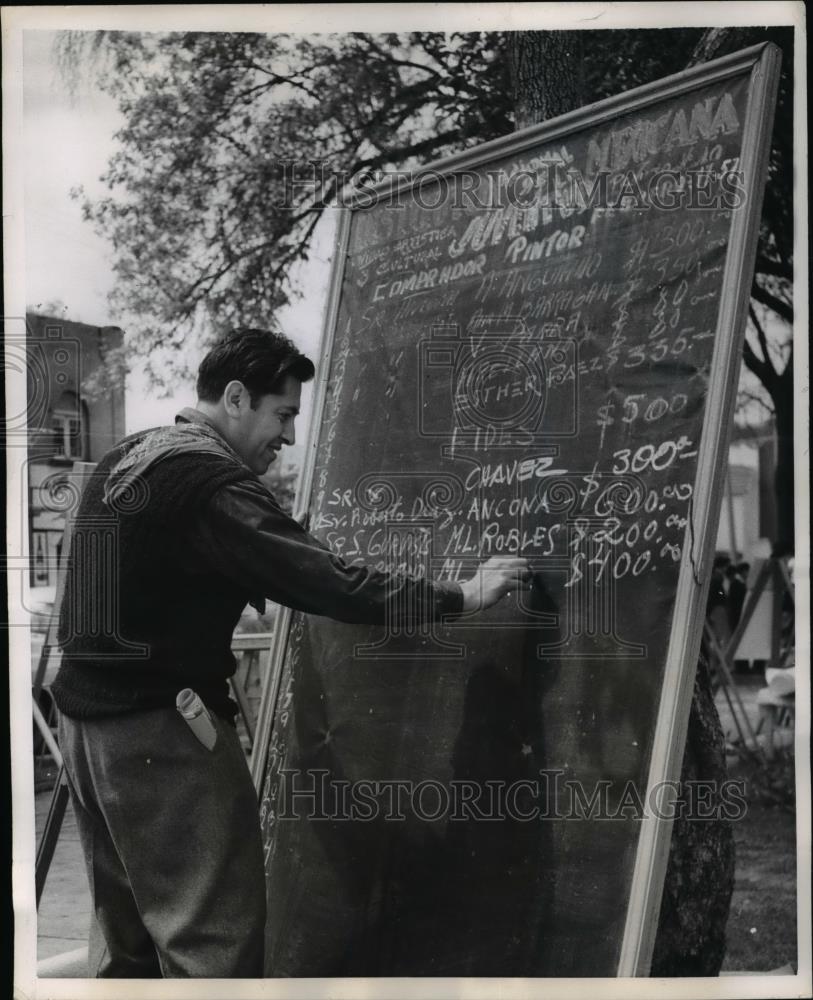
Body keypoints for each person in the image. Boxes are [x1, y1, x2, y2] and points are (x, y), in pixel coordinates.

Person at [50, 327, 530, 978]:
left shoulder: (130, 457)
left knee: (129, 946)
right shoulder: (209, 481)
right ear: (238, 398)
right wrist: (460, 596)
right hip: (159, 732)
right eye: (284, 414)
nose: (289, 438)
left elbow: (137, 582)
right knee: (210, 946)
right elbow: (326, 580)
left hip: (85, 729)